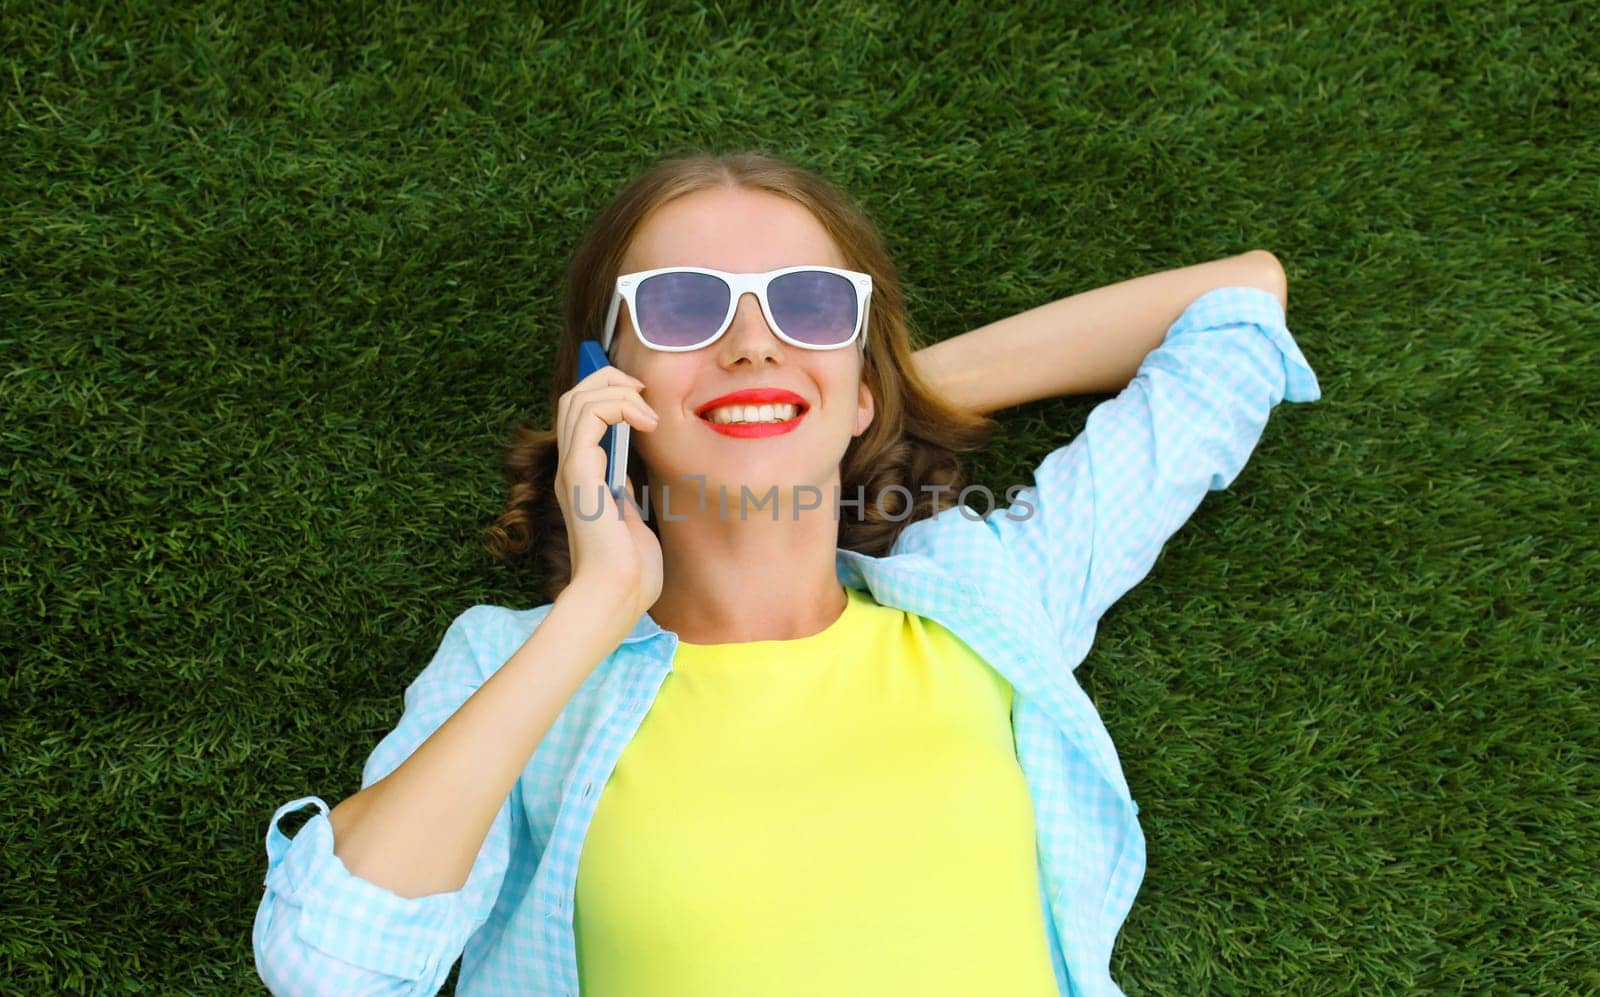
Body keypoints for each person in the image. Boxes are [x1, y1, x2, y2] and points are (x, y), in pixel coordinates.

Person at [252, 151, 1321, 996]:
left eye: (809, 303)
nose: (753, 341)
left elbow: (1237, 307)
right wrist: (594, 605)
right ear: (602, 383)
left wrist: (855, 392)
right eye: (683, 307)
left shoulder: (991, 598)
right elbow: (330, 965)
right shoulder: (517, 672)